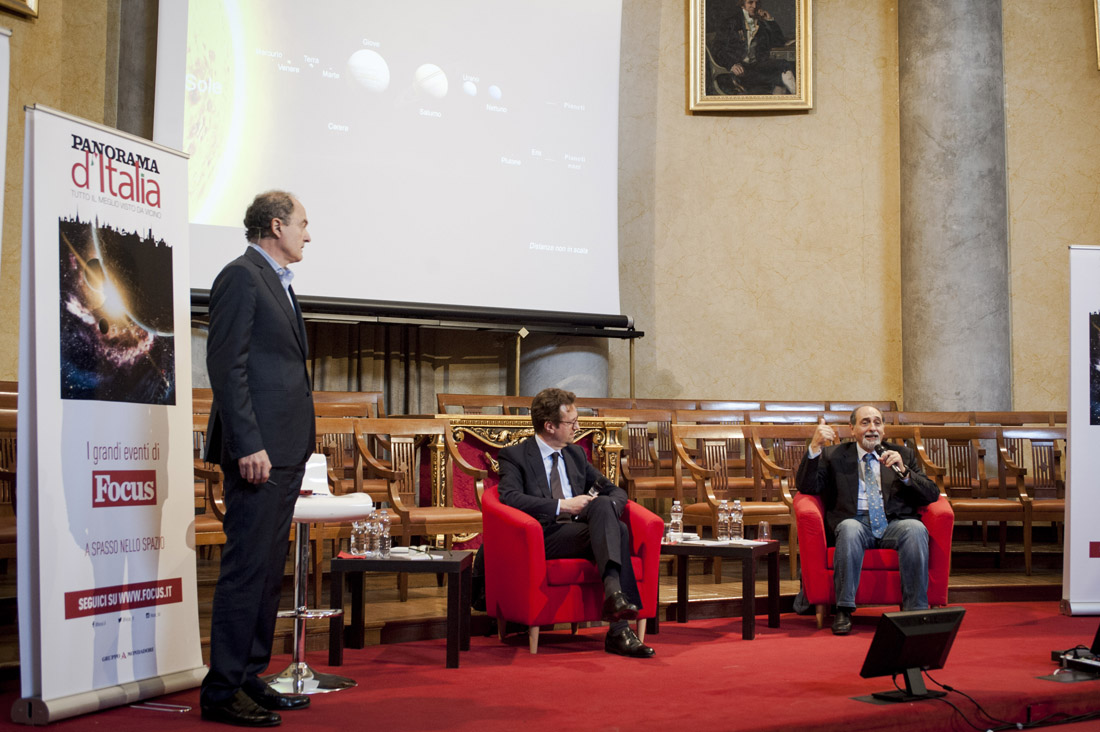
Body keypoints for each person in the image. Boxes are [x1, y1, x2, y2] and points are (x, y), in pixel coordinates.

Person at [200, 191, 316, 726]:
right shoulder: (242, 276)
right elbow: (228, 366)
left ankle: (248, 676)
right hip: (259, 452)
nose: (307, 235)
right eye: (302, 224)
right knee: (247, 569)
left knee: (268, 570)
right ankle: (221, 691)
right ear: (276, 225)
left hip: (286, 449)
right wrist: (248, 443)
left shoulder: (279, 282)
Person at [496, 388, 655, 658]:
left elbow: (615, 491)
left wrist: (605, 510)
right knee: (619, 530)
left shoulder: (576, 455)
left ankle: (615, 599)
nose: (577, 428)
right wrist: (563, 505)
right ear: (550, 426)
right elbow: (509, 497)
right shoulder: (516, 456)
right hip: (544, 535)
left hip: (581, 532)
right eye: (571, 423)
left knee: (609, 513)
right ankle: (619, 629)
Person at [795, 406, 939, 635]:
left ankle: (915, 612)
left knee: (915, 529)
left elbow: (932, 494)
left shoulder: (902, 454)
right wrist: (815, 448)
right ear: (852, 429)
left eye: (877, 422)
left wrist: (904, 471)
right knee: (850, 529)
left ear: (883, 428)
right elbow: (806, 487)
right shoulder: (834, 456)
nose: (872, 428)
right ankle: (843, 609)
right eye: (865, 423)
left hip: (894, 524)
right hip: (856, 521)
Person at [709, 0, 796, 95]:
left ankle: (794, 99)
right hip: (739, 71)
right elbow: (717, 49)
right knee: (780, 80)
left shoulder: (761, 23)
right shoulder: (731, 22)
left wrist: (770, 20)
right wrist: (731, 65)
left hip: (756, 66)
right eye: (750, 2)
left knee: (784, 65)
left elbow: (779, 42)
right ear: (742, 5)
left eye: (757, 3)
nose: (754, 6)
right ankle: (796, 100)